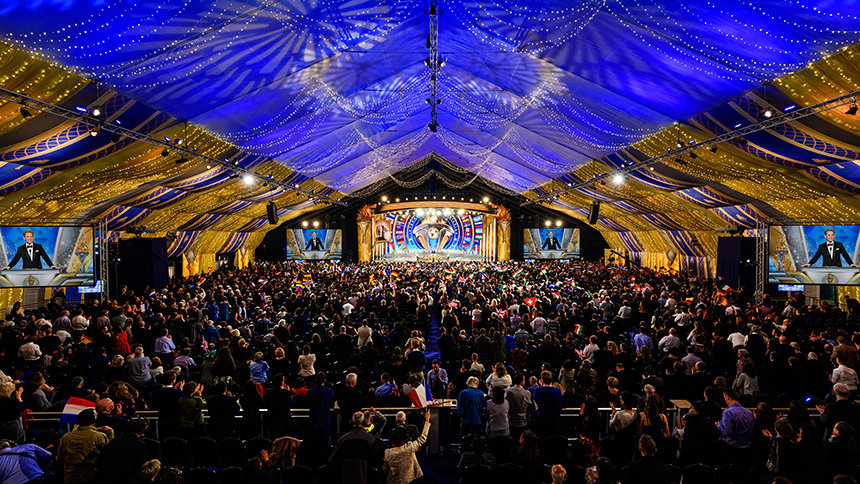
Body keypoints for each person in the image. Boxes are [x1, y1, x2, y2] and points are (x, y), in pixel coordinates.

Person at [57, 409, 113, 484]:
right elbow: (108, 455)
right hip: (91, 477)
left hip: (70, 477)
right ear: (92, 422)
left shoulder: (66, 437)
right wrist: (110, 433)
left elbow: (60, 459)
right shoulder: (99, 437)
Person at [383, 409, 431, 484]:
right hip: (409, 480)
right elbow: (422, 438)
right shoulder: (409, 448)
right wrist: (427, 420)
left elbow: (385, 470)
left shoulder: (387, 453)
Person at [719, 389, 755, 463]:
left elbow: (725, 432)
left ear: (727, 397)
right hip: (748, 449)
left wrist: (719, 425)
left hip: (732, 449)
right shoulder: (749, 413)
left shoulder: (727, 412)